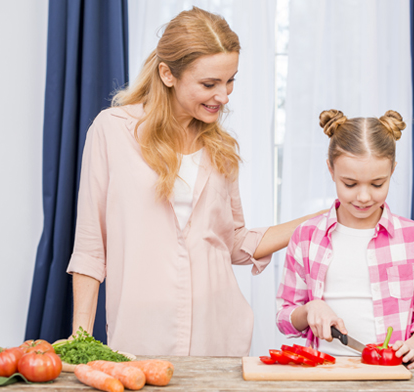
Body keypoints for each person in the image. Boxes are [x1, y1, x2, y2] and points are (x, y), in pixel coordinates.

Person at [67, 7, 323, 357]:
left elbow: (233, 242)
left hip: (219, 336)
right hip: (140, 336)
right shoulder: (112, 131)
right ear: (168, 74)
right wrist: (80, 342)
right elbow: (91, 249)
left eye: (230, 80)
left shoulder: (221, 149)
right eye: (209, 84)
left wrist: (318, 221)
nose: (224, 95)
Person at [276, 109, 414, 369]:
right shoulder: (306, 236)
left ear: (392, 171)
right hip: (324, 372)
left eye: (377, 184)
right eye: (350, 184)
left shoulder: (412, 237)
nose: (364, 197)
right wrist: (310, 309)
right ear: (331, 170)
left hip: (392, 375)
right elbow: (285, 317)